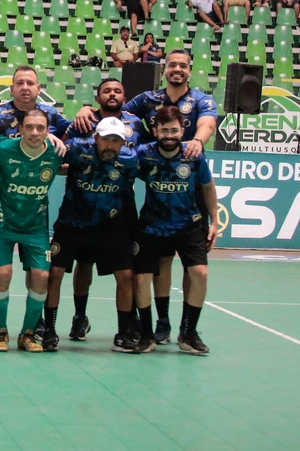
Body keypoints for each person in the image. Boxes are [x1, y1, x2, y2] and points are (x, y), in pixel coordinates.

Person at [70, 48, 217, 345]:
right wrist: (86, 109)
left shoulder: (202, 101)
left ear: (190, 70)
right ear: (164, 69)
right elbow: (114, 111)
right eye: (172, 65)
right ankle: (159, 323)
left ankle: (187, 329)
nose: (177, 69)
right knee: (159, 264)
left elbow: (208, 125)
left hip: (187, 192)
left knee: (195, 268)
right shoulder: (147, 100)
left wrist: (197, 142)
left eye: (183, 65)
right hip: (147, 203)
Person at [45, 117, 139, 352]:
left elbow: (130, 192)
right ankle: (49, 330)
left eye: (116, 141)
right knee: (54, 273)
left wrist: (134, 229)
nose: (110, 145)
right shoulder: (77, 149)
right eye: (106, 139)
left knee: (126, 276)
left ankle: (123, 333)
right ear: (96, 138)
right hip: (72, 224)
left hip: (111, 225)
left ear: (123, 143)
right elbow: (47, 153)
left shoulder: (130, 159)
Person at [133, 106, 217, 355]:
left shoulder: (194, 155)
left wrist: (214, 222)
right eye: (164, 130)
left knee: (200, 273)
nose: (169, 135)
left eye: (174, 130)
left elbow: (208, 186)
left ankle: (189, 333)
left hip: (188, 225)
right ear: (155, 131)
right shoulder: (143, 154)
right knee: (142, 278)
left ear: (182, 131)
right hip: (152, 225)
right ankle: (147, 334)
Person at [0, 109, 62, 352]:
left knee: (41, 276)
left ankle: (28, 334)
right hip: (2, 223)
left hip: (35, 226)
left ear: (48, 131)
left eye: (40, 128)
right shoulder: (3, 148)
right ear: (20, 129)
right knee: (3, 273)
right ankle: (1, 331)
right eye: (29, 127)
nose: (34, 132)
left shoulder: (56, 152)